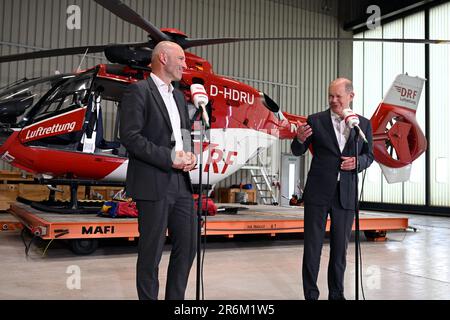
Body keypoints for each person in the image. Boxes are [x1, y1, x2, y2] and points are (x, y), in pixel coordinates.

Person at [119, 41, 197, 300]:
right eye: (182, 59)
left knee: (188, 245)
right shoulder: (138, 92)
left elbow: (184, 133)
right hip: (153, 181)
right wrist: (170, 158)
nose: (186, 65)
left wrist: (190, 154)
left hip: (181, 183)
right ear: (163, 58)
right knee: (151, 252)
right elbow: (131, 137)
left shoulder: (178, 95)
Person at [291, 78, 374, 300]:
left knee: (340, 251)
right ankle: (311, 295)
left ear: (351, 96)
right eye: (330, 96)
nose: (333, 100)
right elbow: (297, 150)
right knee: (312, 248)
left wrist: (359, 162)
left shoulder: (362, 125)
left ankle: (336, 295)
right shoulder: (315, 120)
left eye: (338, 96)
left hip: (345, 194)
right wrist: (298, 139)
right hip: (318, 192)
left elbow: (370, 155)